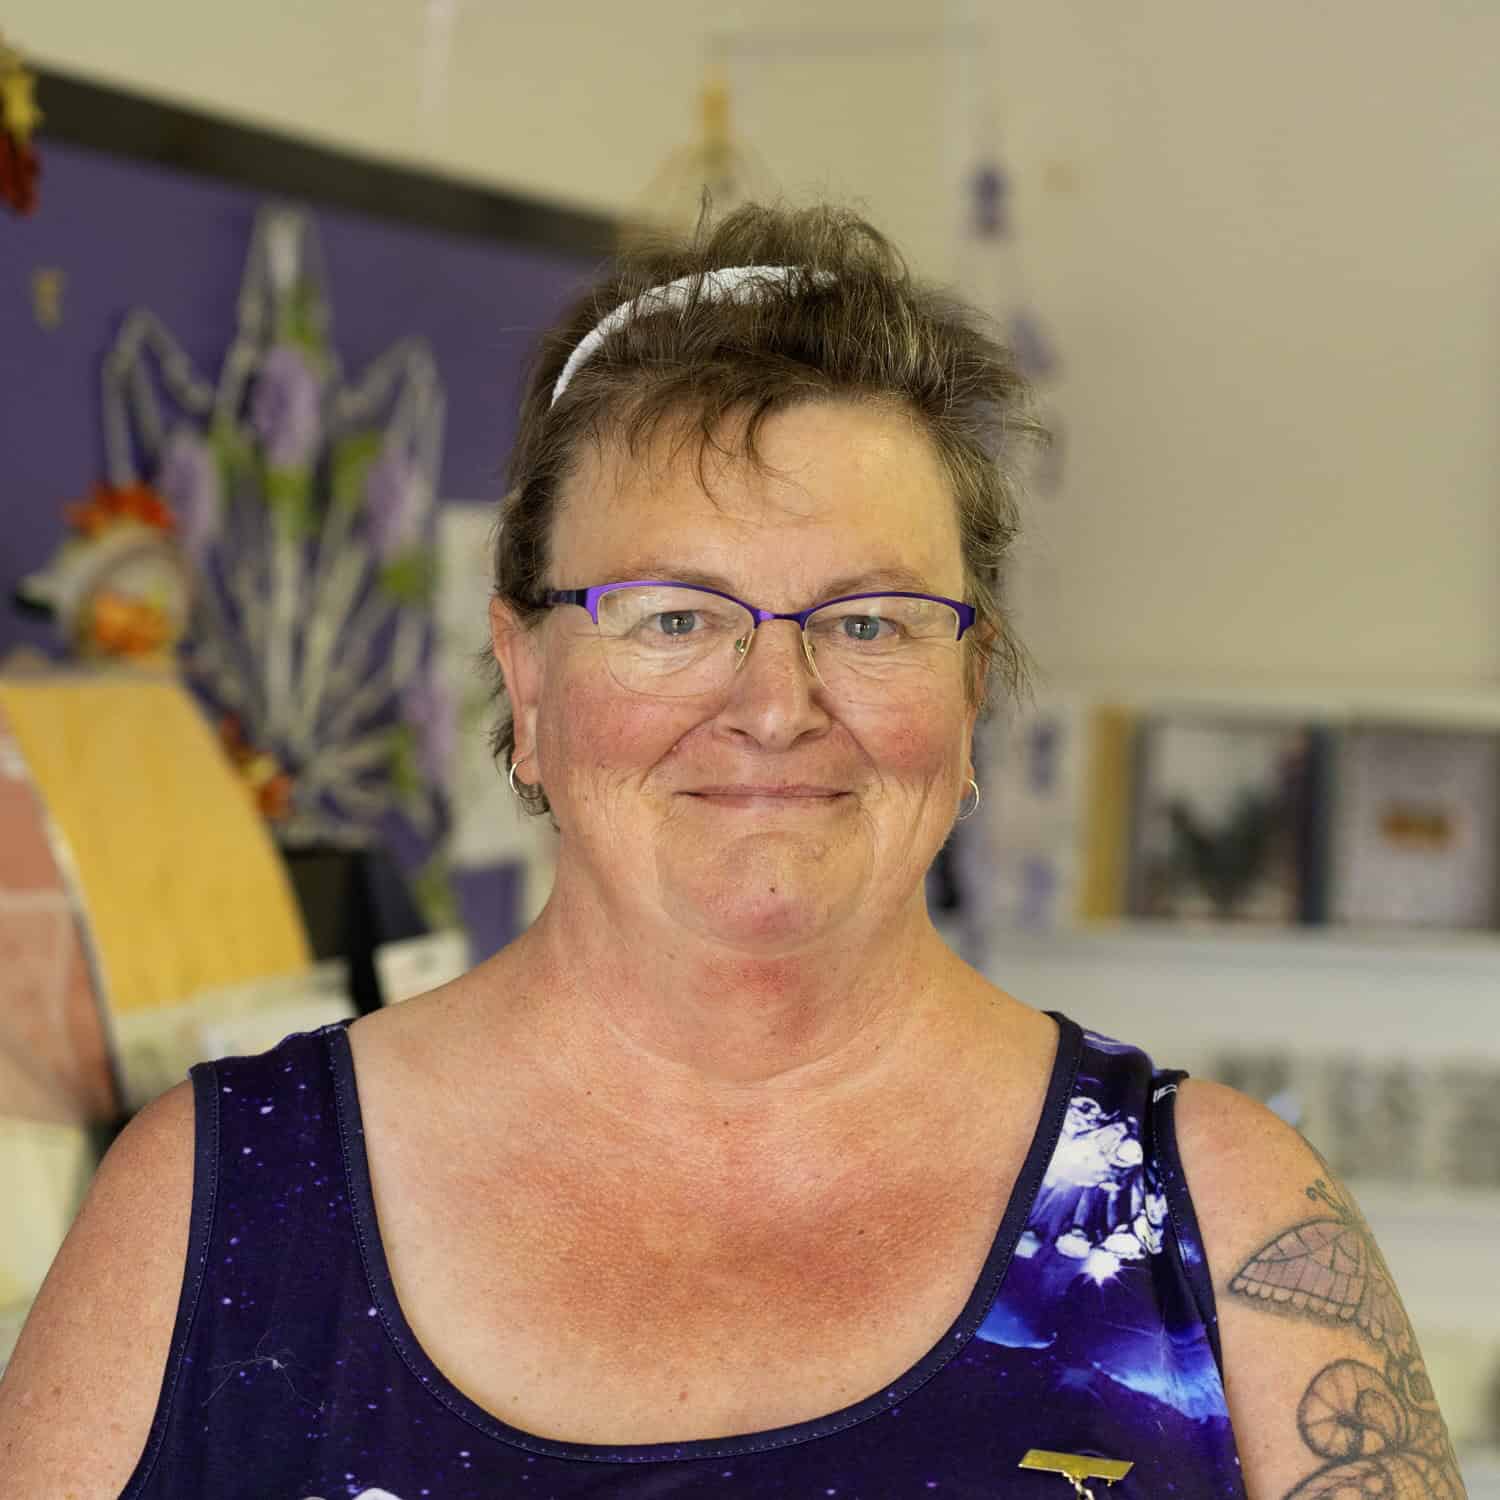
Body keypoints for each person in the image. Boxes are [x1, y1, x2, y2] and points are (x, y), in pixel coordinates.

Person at [0, 205, 1464, 1500]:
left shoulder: (1220, 1222)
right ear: (526, 683)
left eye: (871, 621)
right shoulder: (216, 1204)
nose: (775, 707)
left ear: (970, 694)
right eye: (673, 618)